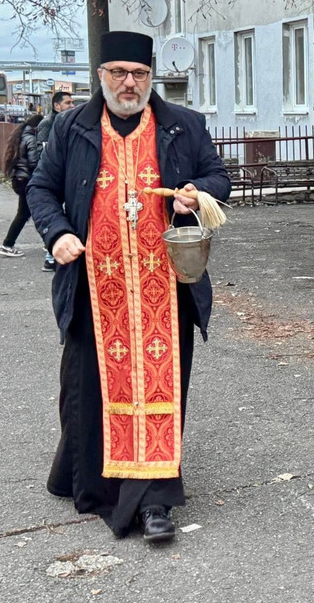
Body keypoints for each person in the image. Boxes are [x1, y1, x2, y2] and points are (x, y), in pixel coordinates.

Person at [28, 31, 232, 543]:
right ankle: (87, 477)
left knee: (159, 390)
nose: (128, 82)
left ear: (151, 77)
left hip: (165, 286)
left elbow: (218, 177)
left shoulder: (183, 126)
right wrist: (58, 234)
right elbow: (40, 188)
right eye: (118, 72)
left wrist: (196, 194)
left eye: (139, 74)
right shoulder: (73, 127)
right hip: (95, 285)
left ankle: (154, 502)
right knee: (88, 390)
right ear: (101, 76)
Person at [37, 91, 77, 271]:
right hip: (53, 175)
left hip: (66, 176)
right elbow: (43, 150)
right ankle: (50, 256)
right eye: (67, 103)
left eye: (72, 102)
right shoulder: (47, 124)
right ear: (57, 106)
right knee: (55, 215)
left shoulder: (72, 123)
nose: (71, 106)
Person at [0, 114, 43, 258]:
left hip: (20, 179)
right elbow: (33, 162)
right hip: (27, 180)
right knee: (25, 214)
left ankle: (50, 242)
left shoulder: (22, 135)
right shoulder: (31, 138)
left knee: (31, 213)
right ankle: (7, 244)